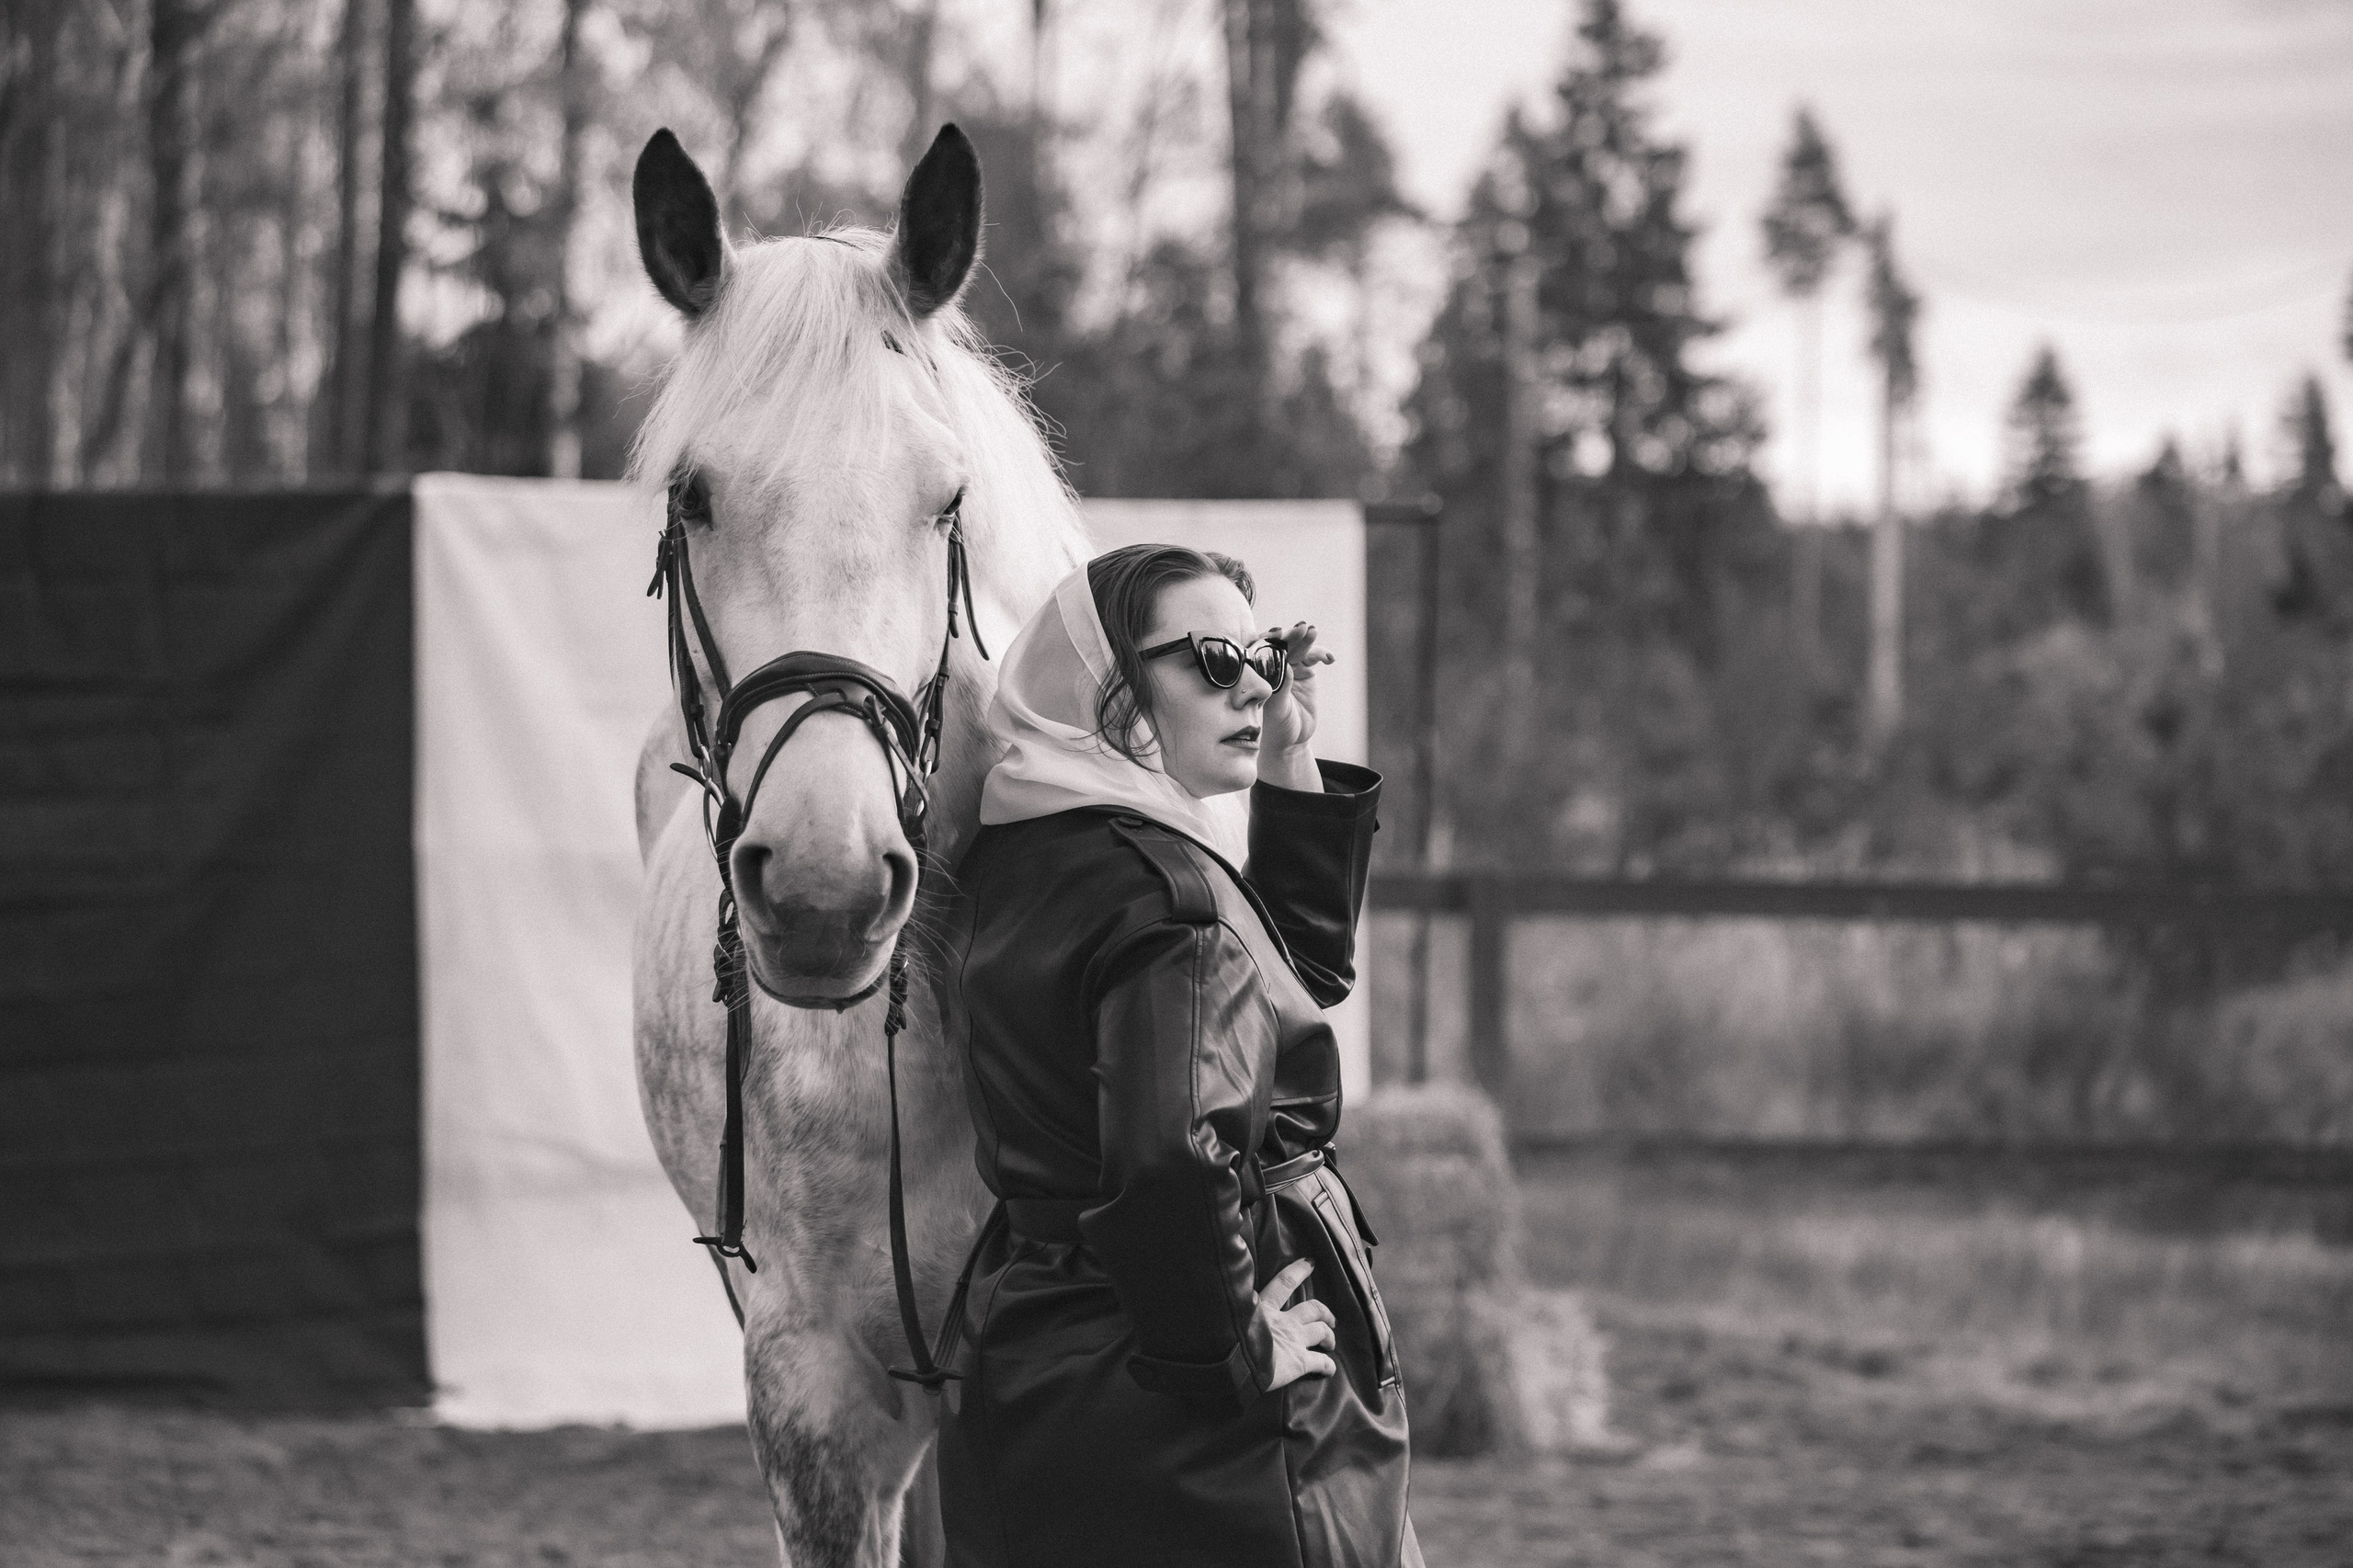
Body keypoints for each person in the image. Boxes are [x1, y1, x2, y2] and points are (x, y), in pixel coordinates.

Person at [936, 543, 1421, 1568]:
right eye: (1211, 657)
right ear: (1109, 680)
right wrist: (1236, 1358)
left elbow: (1281, 979)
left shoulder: (1020, 853)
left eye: (1262, 653)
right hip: (1205, 1414)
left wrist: (1287, 759)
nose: (1253, 680)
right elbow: (1168, 1154)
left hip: (1032, 1365)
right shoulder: (1167, 896)